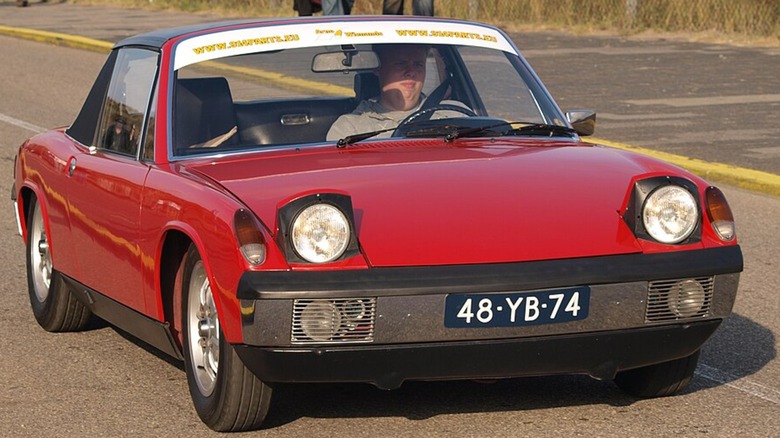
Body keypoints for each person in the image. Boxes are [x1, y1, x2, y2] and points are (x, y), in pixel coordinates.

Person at [327, 44, 429, 141]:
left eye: (418, 64)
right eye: (400, 63)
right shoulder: (349, 128)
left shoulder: (444, 115)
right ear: (378, 68)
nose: (411, 72)